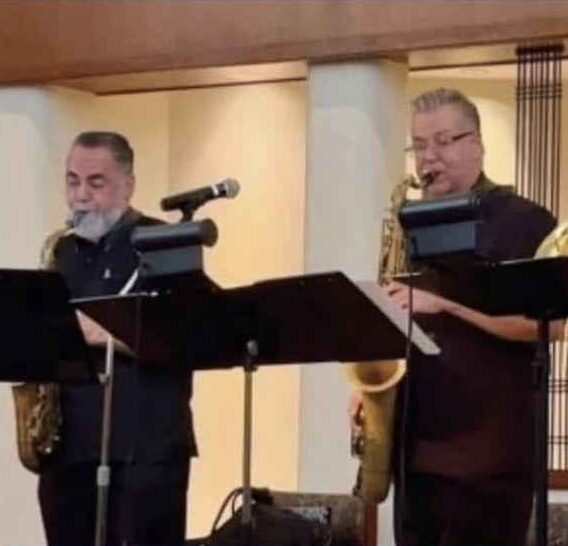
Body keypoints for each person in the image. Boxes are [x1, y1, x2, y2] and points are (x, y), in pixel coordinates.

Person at [385, 88, 562, 546]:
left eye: (443, 141)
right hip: (416, 457)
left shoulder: (524, 221)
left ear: (478, 145)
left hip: (489, 462)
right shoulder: (412, 224)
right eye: (419, 145)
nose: (429, 157)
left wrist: (448, 306)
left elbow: (552, 327)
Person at [38, 131, 196, 545]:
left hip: (145, 451)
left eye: (96, 182)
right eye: (72, 181)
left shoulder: (166, 245)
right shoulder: (61, 251)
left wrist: (93, 330)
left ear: (129, 185)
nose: (80, 196)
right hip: (68, 449)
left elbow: (186, 338)